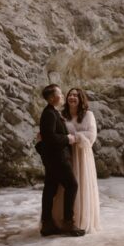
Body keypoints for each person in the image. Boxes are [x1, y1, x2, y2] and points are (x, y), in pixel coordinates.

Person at [36, 84, 85, 237]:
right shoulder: (49, 114)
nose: (63, 96)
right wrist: (67, 139)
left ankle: (47, 224)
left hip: (52, 158)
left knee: (50, 190)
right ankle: (68, 223)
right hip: (57, 158)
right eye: (60, 94)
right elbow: (50, 138)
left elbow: (46, 137)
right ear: (52, 98)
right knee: (72, 185)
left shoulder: (51, 112)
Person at [51, 88, 101, 233]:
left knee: (81, 183)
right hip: (67, 154)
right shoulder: (62, 115)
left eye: (75, 95)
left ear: (81, 99)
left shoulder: (88, 115)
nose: (72, 97)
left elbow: (91, 135)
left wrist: (75, 137)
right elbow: (57, 134)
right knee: (66, 185)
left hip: (82, 154)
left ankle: (80, 220)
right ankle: (63, 220)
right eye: (70, 95)